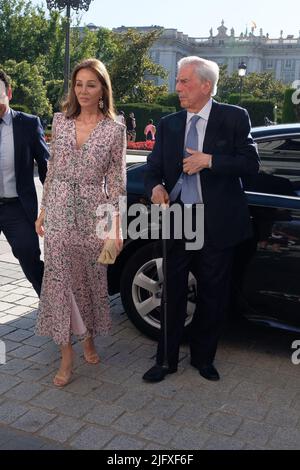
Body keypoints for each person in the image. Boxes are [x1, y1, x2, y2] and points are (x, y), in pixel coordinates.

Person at [143, 56, 259, 383]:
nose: (177, 87)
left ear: (205, 86)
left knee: (212, 292)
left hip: (217, 221)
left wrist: (209, 160)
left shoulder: (234, 118)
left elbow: (250, 164)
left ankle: (203, 358)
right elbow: (153, 166)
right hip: (179, 217)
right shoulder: (169, 124)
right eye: (178, 81)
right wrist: (155, 187)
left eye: (184, 82)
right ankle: (165, 361)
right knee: (172, 290)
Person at [35, 59, 126, 387]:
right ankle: (66, 354)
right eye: (78, 84)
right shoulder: (60, 122)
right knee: (59, 282)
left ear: (102, 89)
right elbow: (53, 168)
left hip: (93, 212)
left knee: (88, 280)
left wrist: (115, 227)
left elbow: (116, 182)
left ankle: (88, 337)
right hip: (59, 207)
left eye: (91, 84)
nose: (83, 91)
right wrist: (43, 210)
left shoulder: (115, 129)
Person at [0, 70, 48, 296]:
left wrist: (51, 207)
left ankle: (55, 309)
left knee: (29, 256)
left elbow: (48, 168)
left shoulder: (28, 124)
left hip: (16, 207)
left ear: (8, 93)